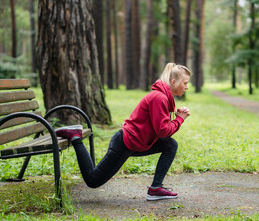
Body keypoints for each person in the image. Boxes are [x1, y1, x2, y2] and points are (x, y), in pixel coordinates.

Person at [55, 63, 191, 201]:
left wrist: (177, 117)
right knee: (92, 180)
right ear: (173, 82)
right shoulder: (159, 98)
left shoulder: (163, 97)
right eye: (185, 83)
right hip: (125, 143)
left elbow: (160, 128)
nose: (186, 87)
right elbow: (162, 131)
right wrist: (179, 119)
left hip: (138, 143)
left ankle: (155, 189)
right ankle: (75, 137)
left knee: (170, 145)